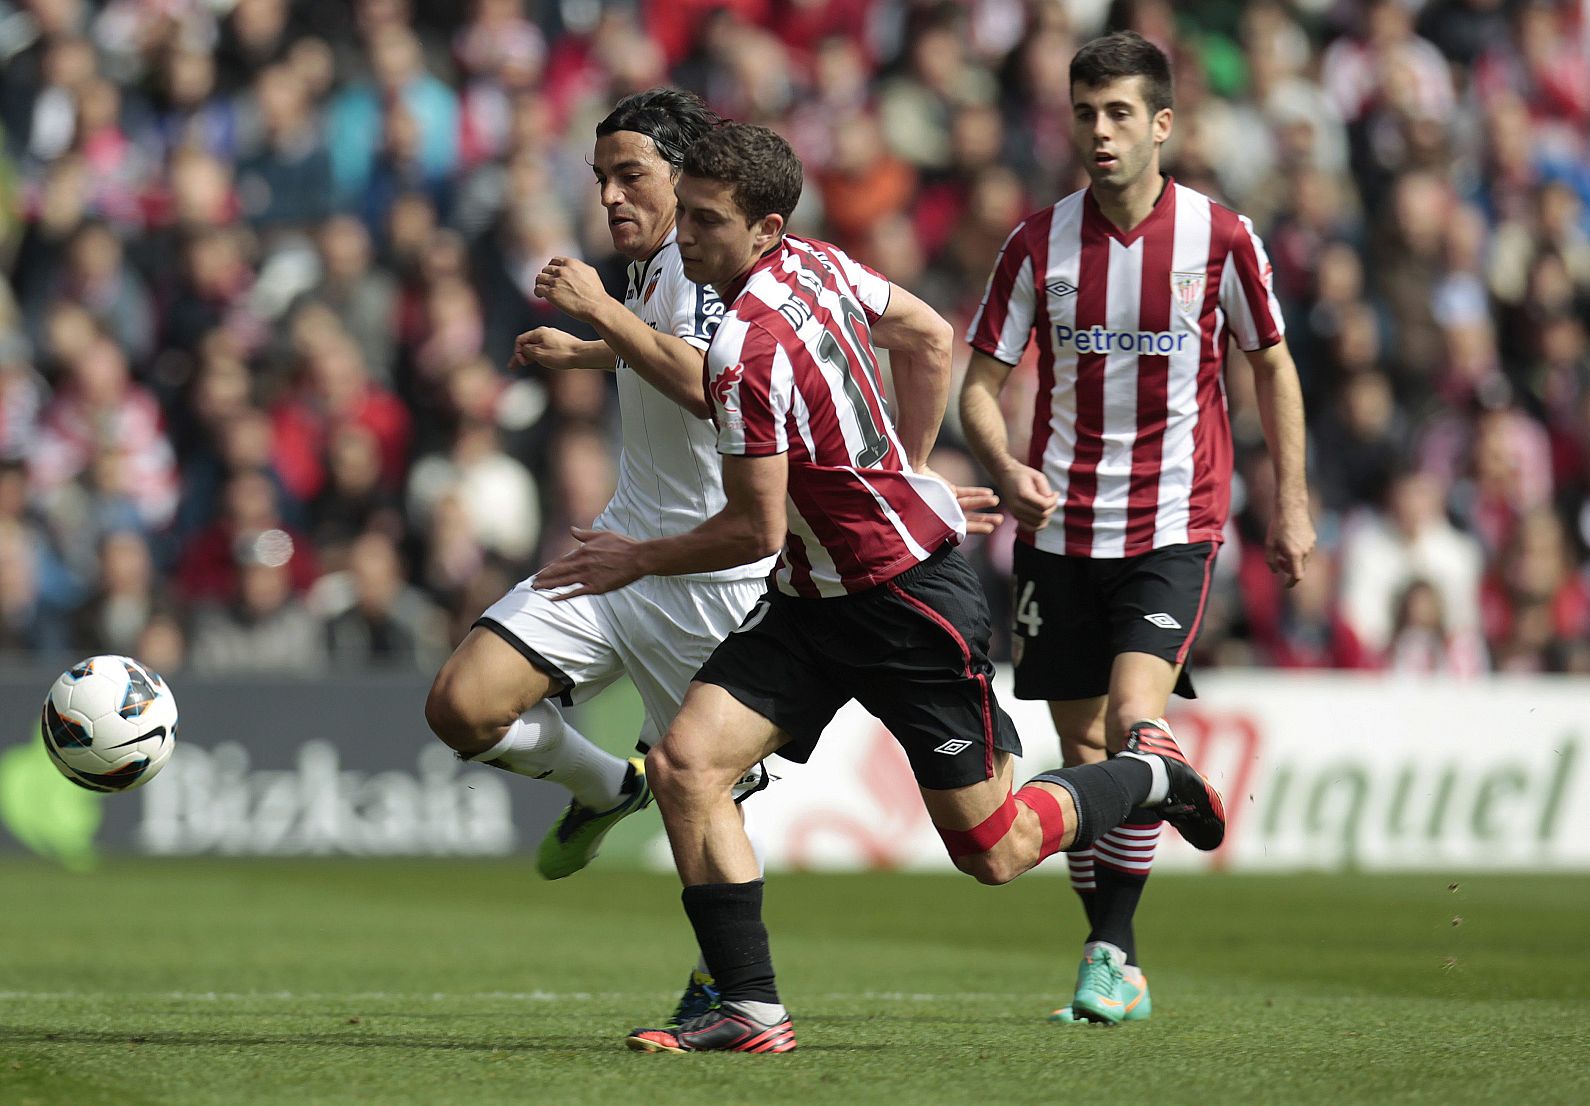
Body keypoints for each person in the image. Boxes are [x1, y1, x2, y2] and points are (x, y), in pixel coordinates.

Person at [536, 122, 1227, 1054]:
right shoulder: (818, 264)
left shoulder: (741, 353)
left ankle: (1149, 774)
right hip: (812, 599)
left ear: (766, 227)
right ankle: (750, 1008)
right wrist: (905, 467)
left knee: (996, 853)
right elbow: (926, 334)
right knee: (684, 765)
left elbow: (753, 527)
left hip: (907, 604)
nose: (684, 236)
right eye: (685, 215)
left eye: (704, 221)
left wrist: (632, 557)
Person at [958, 31, 1316, 1026]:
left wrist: (1289, 501)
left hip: (1171, 521)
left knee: (1126, 717)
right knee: (1083, 757)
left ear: (1162, 124)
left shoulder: (1221, 237)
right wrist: (1001, 465)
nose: (1100, 132)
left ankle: (1110, 942)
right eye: (1085, 113)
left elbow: (1272, 363)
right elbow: (978, 387)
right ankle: (1117, 937)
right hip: (1058, 529)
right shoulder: (1037, 243)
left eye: (1119, 113)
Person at [422, 89, 769, 1026]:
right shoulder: (652, 268)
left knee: (700, 790)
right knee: (462, 704)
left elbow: (711, 386)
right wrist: (592, 352)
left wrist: (599, 322)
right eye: (603, 178)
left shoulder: (715, 268)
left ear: (687, 180)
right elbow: (664, 358)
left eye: (632, 176)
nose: (612, 196)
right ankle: (601, 786)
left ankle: (727, 988)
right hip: (619, 549)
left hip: (710, 577)